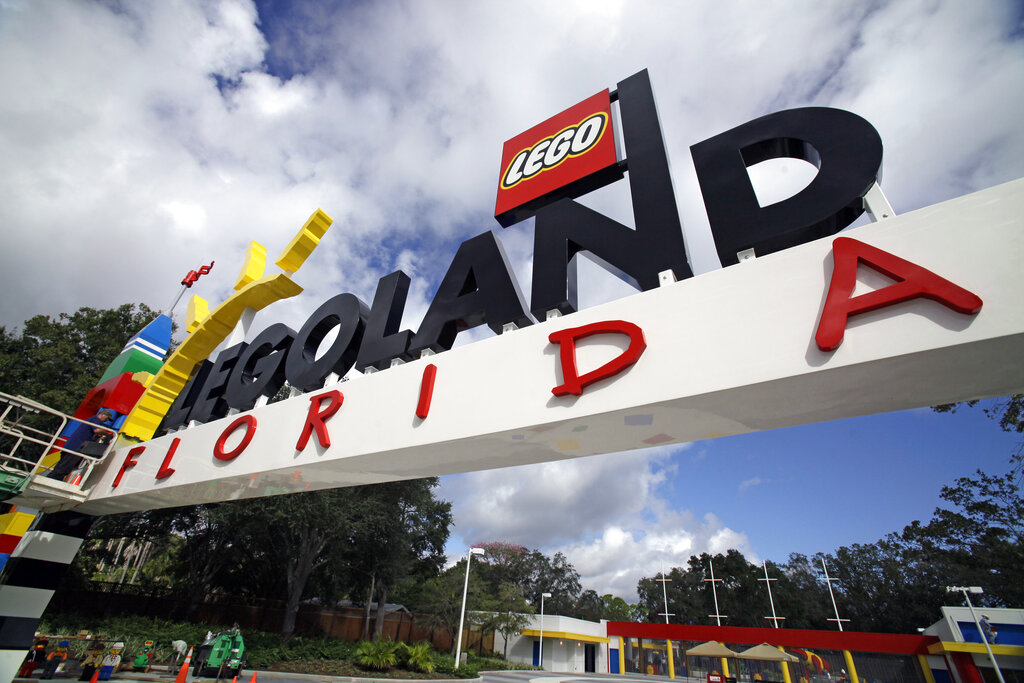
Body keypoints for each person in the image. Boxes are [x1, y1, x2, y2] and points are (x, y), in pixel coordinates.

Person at [48, 409, 115, 480]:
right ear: (102, 415)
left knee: (60, 467)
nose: (106, 420)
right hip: (76, 448)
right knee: (64, 468)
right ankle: (50, 480)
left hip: (71, 446)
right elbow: (97, 430)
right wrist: (108, 434)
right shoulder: (95, 419)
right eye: (107, 418)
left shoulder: (91, 419)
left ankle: (51, 479)